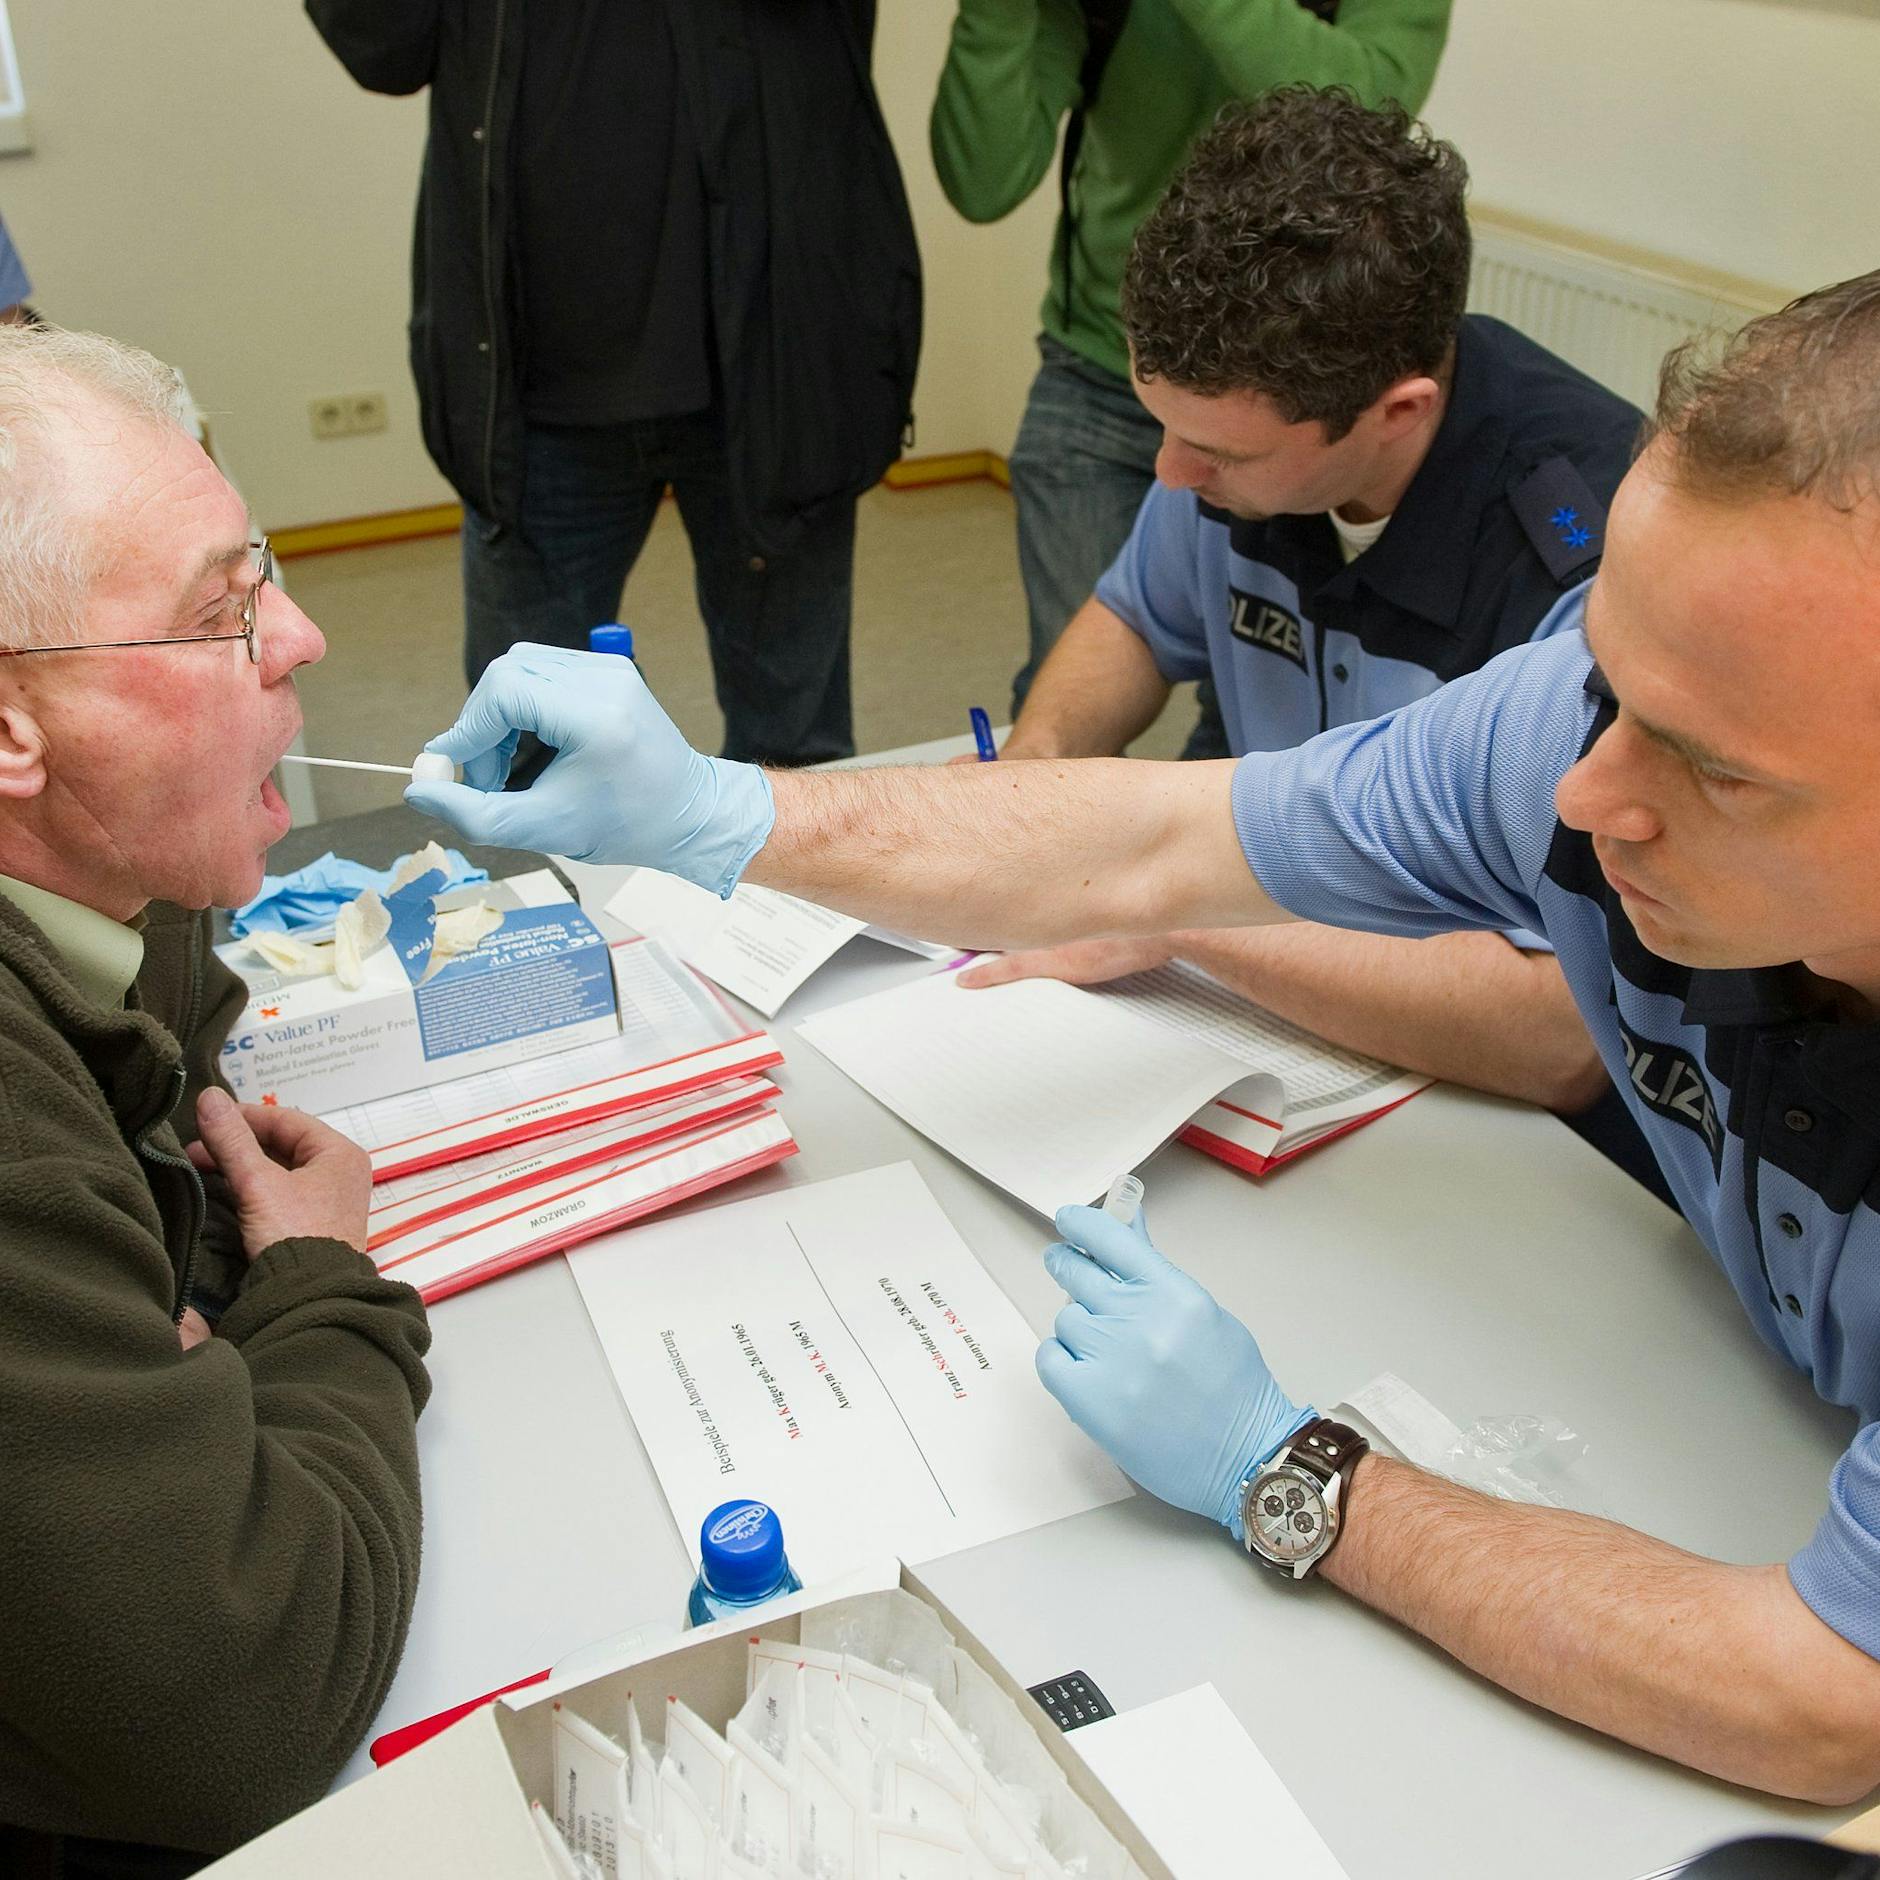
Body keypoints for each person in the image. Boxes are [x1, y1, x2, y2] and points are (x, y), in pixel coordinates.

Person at [409, 270, 1880, 1802]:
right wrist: (728, 813)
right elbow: (1159, 844)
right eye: (1609, 684)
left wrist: (1290, 1472)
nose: (1583, 795)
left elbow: (1825, 1697)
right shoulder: (1570, 740)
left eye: (1716, 772)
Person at [960, 89, 1643, 1145]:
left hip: (1474, 1093)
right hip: (1267, 1002)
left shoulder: (1594, 570)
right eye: (1163, 427)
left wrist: (1156, 906)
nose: (1168, 474)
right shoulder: (1233, 441)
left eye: (1219, 453)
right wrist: (1037, 762)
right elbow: (1138, 620)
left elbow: (1554, 1033)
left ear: (1395, 411)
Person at [0, 325, 431, 1877]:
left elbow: (181, 1054)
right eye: (220, 613)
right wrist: (319, 1285)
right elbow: (245, 1705)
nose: (304, 638)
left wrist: (190, 1328)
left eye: (267, 576)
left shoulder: (106, 868)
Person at [306, 0, 921, 770]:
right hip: (533, 406)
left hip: (773, 373)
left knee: (795, 762)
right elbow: (380, 47)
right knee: (524, 764)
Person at [930, 0, 1451, 738]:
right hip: (1100, 365)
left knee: (1262, 712)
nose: (1176, 469)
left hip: (1289, 398)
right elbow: (983, 182)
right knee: (1068, 671)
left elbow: (1360, 129)